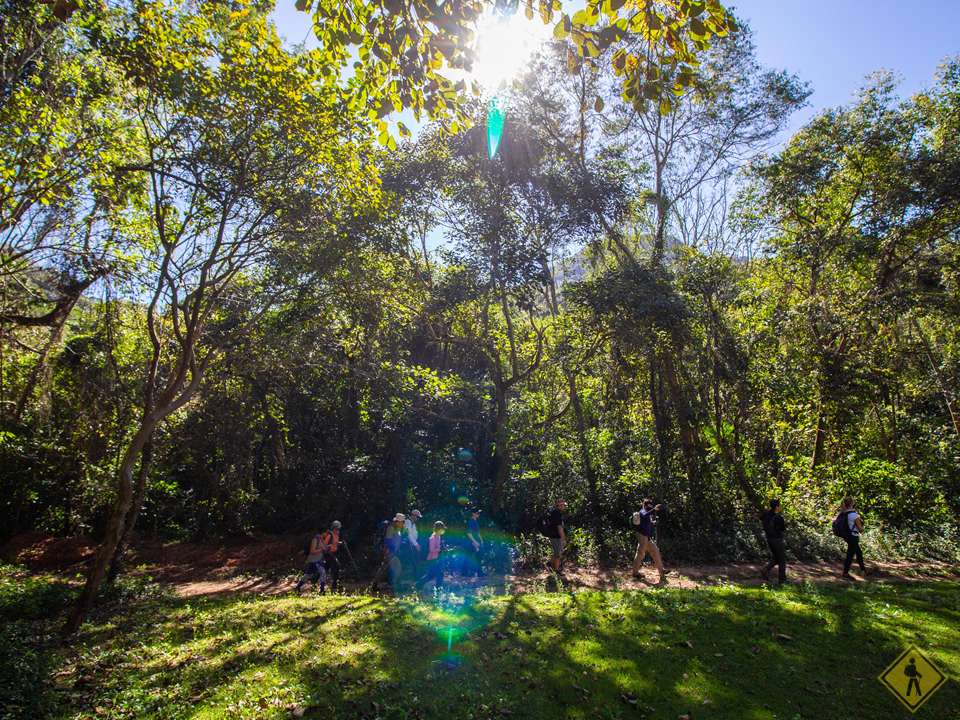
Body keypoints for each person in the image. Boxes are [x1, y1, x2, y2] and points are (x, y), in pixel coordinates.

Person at [631, 499, 665, 582]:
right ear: (645, 506)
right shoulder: (642, 511)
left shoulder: (647, 514)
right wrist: (654, 510)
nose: (651, 507)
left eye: (652, 506)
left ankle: (661, 571)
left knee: (655, 550)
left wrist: (653, 523)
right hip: (642, 536)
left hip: (647, 537)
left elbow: (646, 522)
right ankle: (635, 572)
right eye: (649, 506)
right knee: (641, 554)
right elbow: (645, 515)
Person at [370, 513, 406, 591]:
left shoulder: (396, 528)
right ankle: (398, 586)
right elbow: (387, 541)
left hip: (391, 551)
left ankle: (373, 583)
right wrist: (394, 549)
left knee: (384, 568)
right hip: (389, 551)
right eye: (403, 521)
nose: (403, 523)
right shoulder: (391, 528)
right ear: (398, 521)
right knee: (397, 567)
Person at [840, 496, 869, 581]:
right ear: (852, 504)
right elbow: (860, 529)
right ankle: (845, 573)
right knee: (850, 554)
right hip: (854, 536)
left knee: (858, 552)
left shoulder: (842, 513)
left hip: (846, 536)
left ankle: (864, 571)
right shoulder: (854, 515)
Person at [759, 499, 787, 584]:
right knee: (782, 559)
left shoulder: (767, 515)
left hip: (769, 539)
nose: (781, 507)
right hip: (777, 539)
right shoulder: (778, 517)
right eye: (780, 505)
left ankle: (766, 570)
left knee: (776, 556)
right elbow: (783, 529)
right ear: (776, 507)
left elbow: (761, 519)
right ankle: (782, 579)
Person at [416, 521, 447, 590]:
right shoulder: (432, 538)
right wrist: (439, 549)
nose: (442, 530)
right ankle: (418, 586)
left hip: (437, 558)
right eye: (442, 529)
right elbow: (431, 550)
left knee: (437, 574)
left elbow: (438, 548)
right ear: (438, 529)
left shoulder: (439, 537)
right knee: (433, 575)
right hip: (432, 559)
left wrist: (443, 549)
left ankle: (438, 589)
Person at [295, 530, 328, 595]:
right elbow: (312, 551)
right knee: (322, 572)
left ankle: (297, 588)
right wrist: (321, 550)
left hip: (314, 560)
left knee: (307, 575)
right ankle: (322, 590)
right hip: (315, 560)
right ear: (323, 532)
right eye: (326, 532)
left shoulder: (322, 539)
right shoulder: (316, 539)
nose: (327, 534)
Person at [320, 521, 342, 592]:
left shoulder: (337, 534)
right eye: (337, 529)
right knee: (336, 566)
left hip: (333, 552)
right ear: (333, 528)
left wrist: (340, 543)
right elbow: (324, 544)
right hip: (328, 553)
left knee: (326, 567)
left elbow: (335, 542)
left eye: (339, 529)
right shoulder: (329, 535)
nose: (338, 530)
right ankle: (335, 583)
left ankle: (314, 578)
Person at [464, 508, 486, 578]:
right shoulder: (472, 521)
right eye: (477, 513)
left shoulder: (475, 521)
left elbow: (477, 532)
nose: (478, 514)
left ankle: (480, 574)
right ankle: (464, 575)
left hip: (476, 542)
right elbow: (469, 533)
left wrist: (481, 539)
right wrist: (474, 541)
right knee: (468, 557)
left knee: (478, 557)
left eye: (479, 513)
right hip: (471, 543)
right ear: (473, 513)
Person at [547, 499, 567, 574]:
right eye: (563, 505)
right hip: (555, 536)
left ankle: (549, 564)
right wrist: (563, 539)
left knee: (558, 551)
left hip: (555, 536)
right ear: (559, 505)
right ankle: (556, 571)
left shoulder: (554, 513)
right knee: (558, 553)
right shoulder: (557, 514)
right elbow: (559, 528)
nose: (564, 507)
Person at [402, 510, 423, 580]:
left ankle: (415, 576)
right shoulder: (408, 522)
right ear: (413, 515)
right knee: (409, 561)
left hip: (410, 544)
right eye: (417, 517)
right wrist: (416, 544)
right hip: (407, 545)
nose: (417, 519)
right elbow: (408, 534)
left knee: (415, 560)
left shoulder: (411, 522)